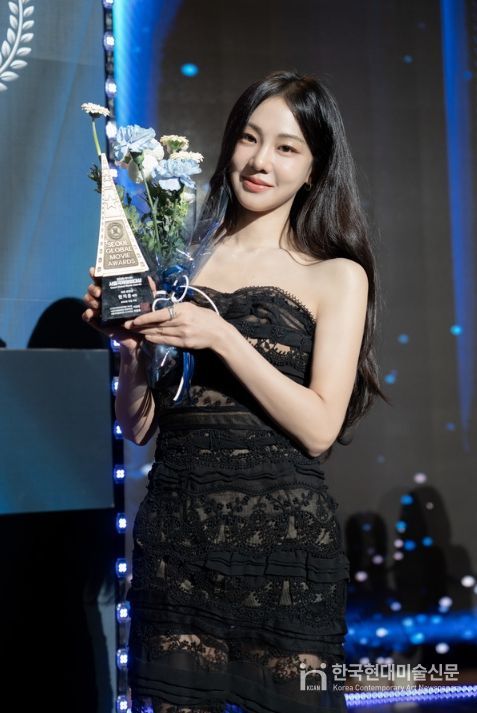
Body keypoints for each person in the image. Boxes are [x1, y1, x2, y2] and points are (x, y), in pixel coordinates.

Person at [83, 70, 389, 713]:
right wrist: (132, 348)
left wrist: (222, 337)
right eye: (250, 138)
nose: (260, 161)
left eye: (286, 147)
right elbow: (139, 427)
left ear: (314, 169)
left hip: (283, 552)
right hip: (176, 543)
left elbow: (318, 429)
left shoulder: (336, 275)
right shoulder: (181, 259)